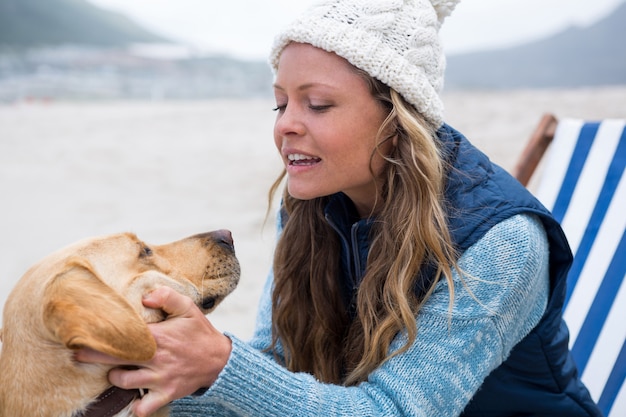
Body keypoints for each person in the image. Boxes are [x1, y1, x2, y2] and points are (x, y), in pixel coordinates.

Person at [77, 0, 602, 416]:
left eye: (318, 104)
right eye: (280, 102)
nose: (285, 124)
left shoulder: (502, 242)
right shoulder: (312, 205)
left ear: (398, 118)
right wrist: (143, 374)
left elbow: (394, 411)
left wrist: (219, 366)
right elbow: (275, 365)